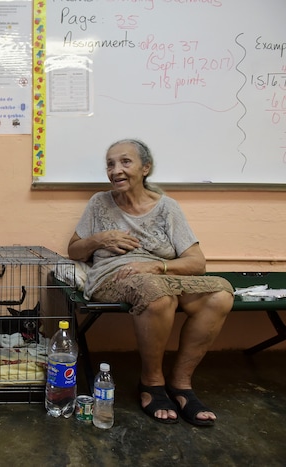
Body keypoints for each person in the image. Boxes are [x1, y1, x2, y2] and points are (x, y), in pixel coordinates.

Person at [67, 139, 234, 426]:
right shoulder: (99, 203)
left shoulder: (168, 208)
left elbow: (196, 262)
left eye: (125, 162)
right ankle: (151, 383)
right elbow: (74, 251)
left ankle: (181, 385)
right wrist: (100, 239)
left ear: (146, 168)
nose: (116, 170)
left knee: (220, 293)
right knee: (157, 295)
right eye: (110, 164)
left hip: (160, 275)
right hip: (113, 276)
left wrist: (158, 264)